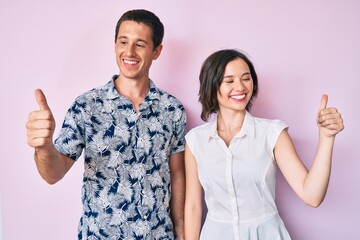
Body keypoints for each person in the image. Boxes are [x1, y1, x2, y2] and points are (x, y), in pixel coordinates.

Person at [26, 9, 186, 240]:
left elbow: (177, 175)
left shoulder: (172, 109)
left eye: (140, 44)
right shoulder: (86, 106)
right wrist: (43, 147)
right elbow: (53, 174)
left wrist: (181, 233)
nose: (129, 51)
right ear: (114, 45)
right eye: (123, 42)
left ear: (157, 51)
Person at [184, 49, 344, 240]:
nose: (240, 87)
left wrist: (326, 138)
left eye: (246, 78)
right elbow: (193, 206)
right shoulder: (195, 140)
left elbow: (312, 196)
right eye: (229, 81)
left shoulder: (272, 133)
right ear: (211, 86)